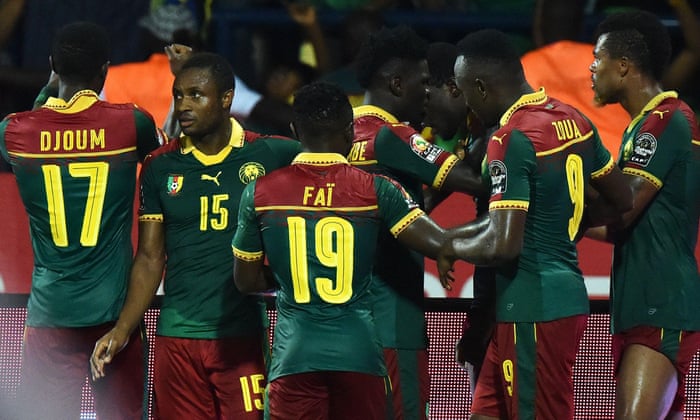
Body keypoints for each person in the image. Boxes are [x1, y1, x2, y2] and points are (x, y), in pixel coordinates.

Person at [90, 52, 302, 419]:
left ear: (226, 98)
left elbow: (330, 164)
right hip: (177, 338)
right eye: (178, 95)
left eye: (196, 95)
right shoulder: (160, 165)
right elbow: (150, 257)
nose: (183, 105)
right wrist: (122, 329)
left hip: (240, 338)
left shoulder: (270, 153)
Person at [438, 29, 633, 419]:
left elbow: (504, 244)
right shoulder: (573, 118)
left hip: (532, 306)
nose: (468, 106)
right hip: (556, 297)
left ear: (481, 87)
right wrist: (559, 221)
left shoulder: (510, 138)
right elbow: (621, 199)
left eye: (466, 93)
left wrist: (447, 246)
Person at [231, 81, 454, 420]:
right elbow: (441, 242)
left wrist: (292, 273)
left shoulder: (261, 192)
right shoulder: (377, 189)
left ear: (295, 131)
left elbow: (245, 281)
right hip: (359, 355)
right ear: (350, 132)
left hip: (294, 358)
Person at [0, 21, 162, 419]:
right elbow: (159, 151)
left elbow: (38, 118)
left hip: (50, 317)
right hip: (115, 316)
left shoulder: (14, 131)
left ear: (53, 65)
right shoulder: (130, 123)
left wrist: (49, 89)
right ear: (104, 70)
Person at [351, 25, 486, 419]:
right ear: (397, 84)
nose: (428, 93)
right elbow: (479, 180)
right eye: (423, 82)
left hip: (349, 325)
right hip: (394, 321)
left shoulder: (344, 133)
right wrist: (481, 128)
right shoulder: (392, 135)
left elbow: (407, 209)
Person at [586, 11, 700, 419]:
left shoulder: (666, 120)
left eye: (597, 58)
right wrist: (561, 219)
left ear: (623, 65)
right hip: (640, 305)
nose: (591, 69)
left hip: (660, 303)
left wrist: (560, 196)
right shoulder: (642, 128)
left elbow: (625, 205)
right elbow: (616, 227)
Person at [422, 40, 497, 393]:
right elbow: (430, 197)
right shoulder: (477, 139)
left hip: (514, 310)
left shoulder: (499, 139)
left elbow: (505, 229)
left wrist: (480, 323)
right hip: (495, 308)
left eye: (426, 98)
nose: (423, 116)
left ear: (453, 88)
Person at [102, 3, 294, 135]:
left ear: (148, 37)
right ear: (194, 42)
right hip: (188, 177)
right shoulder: (209, 76)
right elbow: (264, 109)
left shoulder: (112, 77)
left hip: (130, 180)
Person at [520, 0, 629, 156]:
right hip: (629, 159)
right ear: (580, 25)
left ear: (538, 25)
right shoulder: (612, 62)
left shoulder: (526, 66)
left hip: (572, 165)